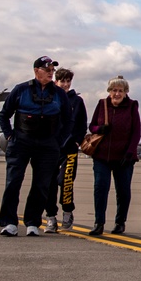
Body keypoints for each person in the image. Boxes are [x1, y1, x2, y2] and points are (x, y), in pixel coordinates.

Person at [0, 56, 72, 236]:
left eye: (52, 70)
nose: (50, 73)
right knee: (13, 181)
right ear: (36, 71)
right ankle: (9, 223)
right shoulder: (21, 90)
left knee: (41, 184)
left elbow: (68, 120)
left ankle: (32, 222)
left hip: (48, 144)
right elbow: (4, 115)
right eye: (46, 69)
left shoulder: (59, 94)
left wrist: (58, 141)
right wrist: (9, 135)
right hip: (21, 141)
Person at [87, 75, 141, 236]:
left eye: (120, 91)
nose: (117, 94)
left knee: (123, 191)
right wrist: (99, 129)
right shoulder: (102, 104)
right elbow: (92, 125)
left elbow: (136, 132)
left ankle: (120, 222)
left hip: (124, 157)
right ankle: (99, 222)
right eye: (114, 90)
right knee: (100, 188)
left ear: (126, 93)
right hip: (102, 156)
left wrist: (130, 152)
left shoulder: (132, 106)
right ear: (109, 91)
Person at [43, 67, 87, 232]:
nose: (66, 84)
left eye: (68, 81)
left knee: (66, 181)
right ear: (56, 82)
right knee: (49, 184)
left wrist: (76, 141)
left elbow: (82, 124)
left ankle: (67, 212)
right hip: (50, 149)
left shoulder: (77, 101)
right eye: (63, 81)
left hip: (69, 149)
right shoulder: (48, 97)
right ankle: (51, 217)